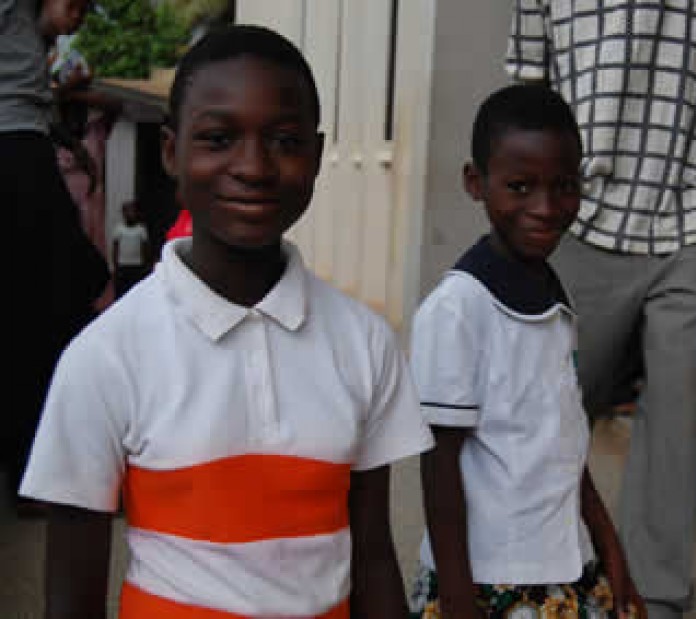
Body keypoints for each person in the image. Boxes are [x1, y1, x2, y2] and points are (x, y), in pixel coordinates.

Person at [20, 25, 434, 619]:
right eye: (218, 138)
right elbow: (71, 596)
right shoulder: (107, 356)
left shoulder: (363, 342)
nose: (254, 167)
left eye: (285, 140)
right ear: (171, 152)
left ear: (316, 157)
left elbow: (370, 556)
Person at [506, 3, 696, 618]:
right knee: (549, 415)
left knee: (679, 428)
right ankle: (527, 582)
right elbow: (527, 92)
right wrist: (520, 203)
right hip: (579, 213)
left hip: (694, 216)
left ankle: (652, 603)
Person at [409, 84, 646, 619]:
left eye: (563, 186)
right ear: (476, 182)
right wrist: (458, 598)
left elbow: (563, 447)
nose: (545, 208)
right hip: (489, 583)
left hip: (567, 569)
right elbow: (438, 464)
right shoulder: (457, 310)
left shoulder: (554, 301)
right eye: (519, 186)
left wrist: (610, 550)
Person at [2, 0, 108, 512]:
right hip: (14, 155)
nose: (76, 19)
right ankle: (42, 472)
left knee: (50, 308)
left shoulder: (29, 38)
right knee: (56, 304)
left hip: (27, 147)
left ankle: (40, 470)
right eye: (76, 8)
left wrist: (64, 138)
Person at [111, 200, 151, 297]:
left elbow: (145, 248)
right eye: (127, 211)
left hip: (137, 266)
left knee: (136, 292)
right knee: (121, 293)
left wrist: (146, 264)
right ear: (123, 213)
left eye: (132, 211)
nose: (130, 214)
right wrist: (115, 265)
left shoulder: (141, 229)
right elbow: (115, 248)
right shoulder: (118, 229)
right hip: (122, 266)